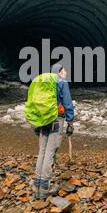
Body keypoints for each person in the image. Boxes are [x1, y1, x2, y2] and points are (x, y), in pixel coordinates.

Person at [33, 63, 74, 199]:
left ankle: (37, 185)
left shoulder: (44, 82)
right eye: (64, 70)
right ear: (60, 72)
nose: (66, 72)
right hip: (56, 119)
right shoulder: (62, 82)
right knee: (50, 151)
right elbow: (67, 103)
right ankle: (45, 186)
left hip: (43, 120)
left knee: (42, 151)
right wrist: (70, 122)